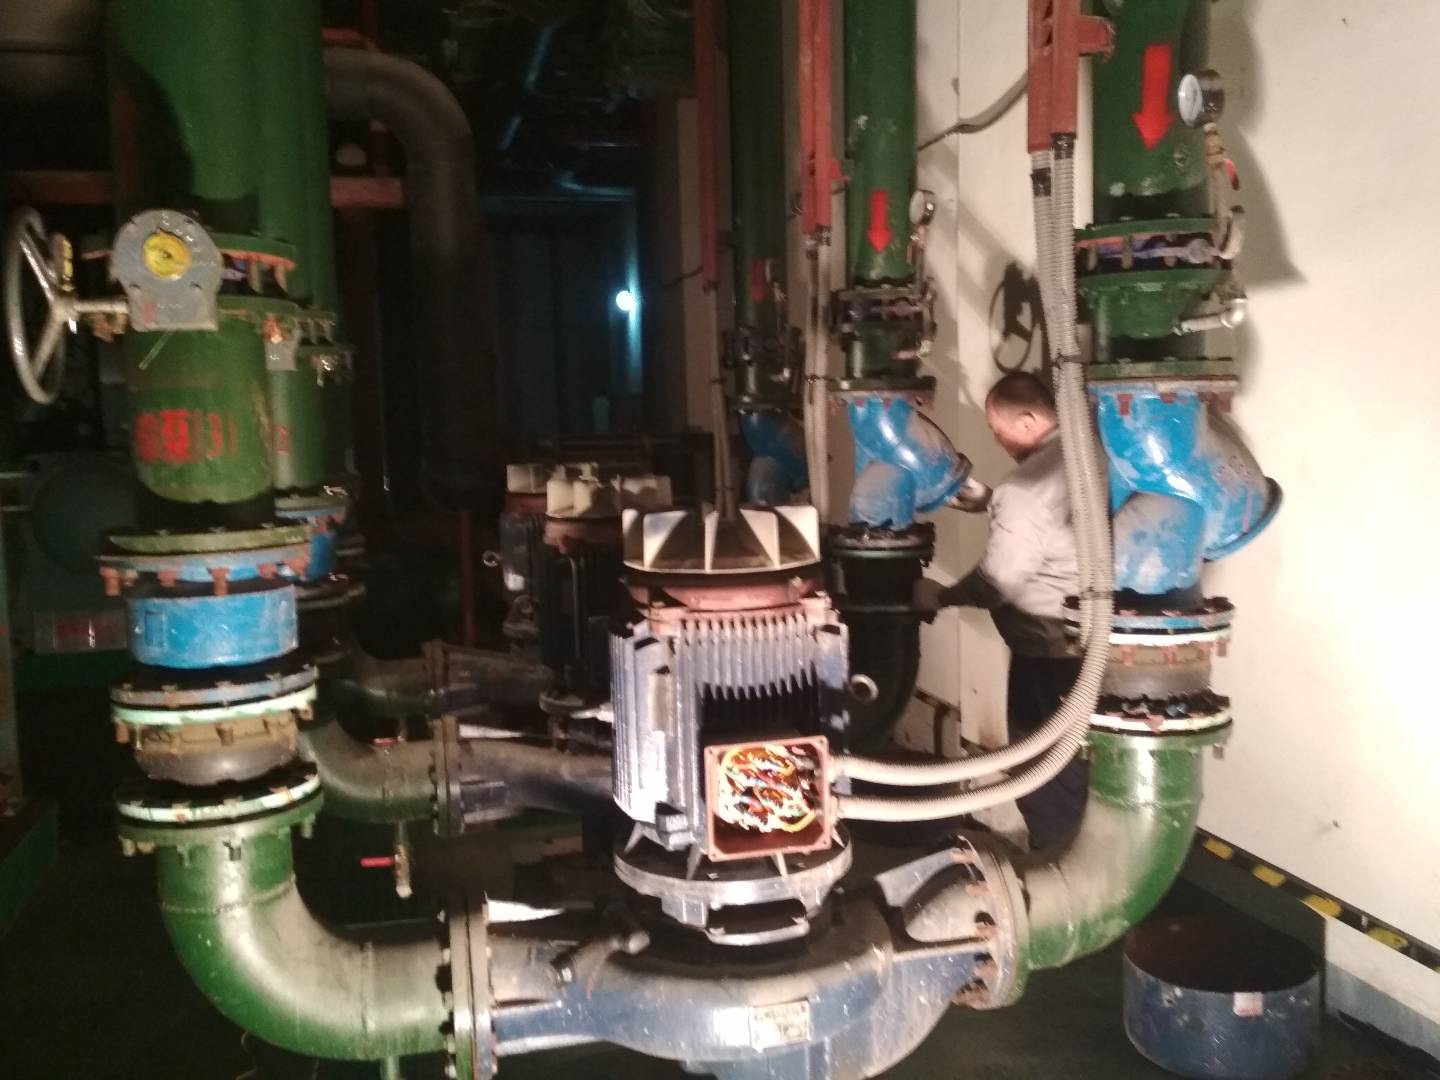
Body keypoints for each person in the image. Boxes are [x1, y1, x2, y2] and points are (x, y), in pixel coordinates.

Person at [915, 370, 1085, 850]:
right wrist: (992, 503)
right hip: (1095, 652)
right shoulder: (1091, 455)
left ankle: (1061, 868)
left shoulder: (1025, 489)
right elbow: (1059, 530)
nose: (998, 441)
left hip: (1047, 658)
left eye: (998, 430)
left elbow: (996, 583)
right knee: (1079, 770)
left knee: (1043, 774)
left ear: (1028, 420)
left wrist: (939, 596)